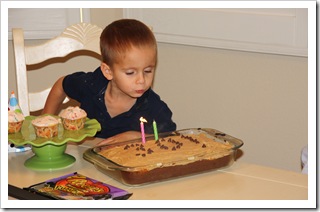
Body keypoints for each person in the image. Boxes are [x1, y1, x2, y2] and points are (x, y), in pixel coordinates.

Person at [42, 19, 177, 145]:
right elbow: (61, 85)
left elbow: (170, 137)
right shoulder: (90, 86)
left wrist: (138, 137)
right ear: (108, 71)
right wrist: (46, 121)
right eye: (130, 73)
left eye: (148, 71)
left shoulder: (154, 107)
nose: (141, 80)